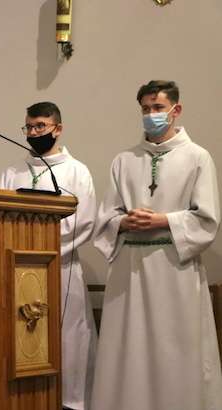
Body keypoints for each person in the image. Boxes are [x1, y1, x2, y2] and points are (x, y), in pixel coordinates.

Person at [91, 80, 222, 410]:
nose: (151, 114)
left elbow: (207, 219)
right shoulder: (124, 160)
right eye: (146, 109)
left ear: (176, 110)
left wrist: (163, 220)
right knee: (128, 347)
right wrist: (124, 222)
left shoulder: (197, 158)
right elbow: (106, 216)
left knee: (175, 348)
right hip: (129, 272)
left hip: (173, 269)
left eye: (158, 108)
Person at [0, 102, 97, 410]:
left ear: (58, 128)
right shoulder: (12, 172)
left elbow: (85, 221)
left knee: (67, 339)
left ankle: (70, 401)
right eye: (29, 127)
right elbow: (0, 218)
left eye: (40, 126)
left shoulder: (77, 171)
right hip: (17, 271)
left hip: (62, 268)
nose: (33, 132)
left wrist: (46, 253)